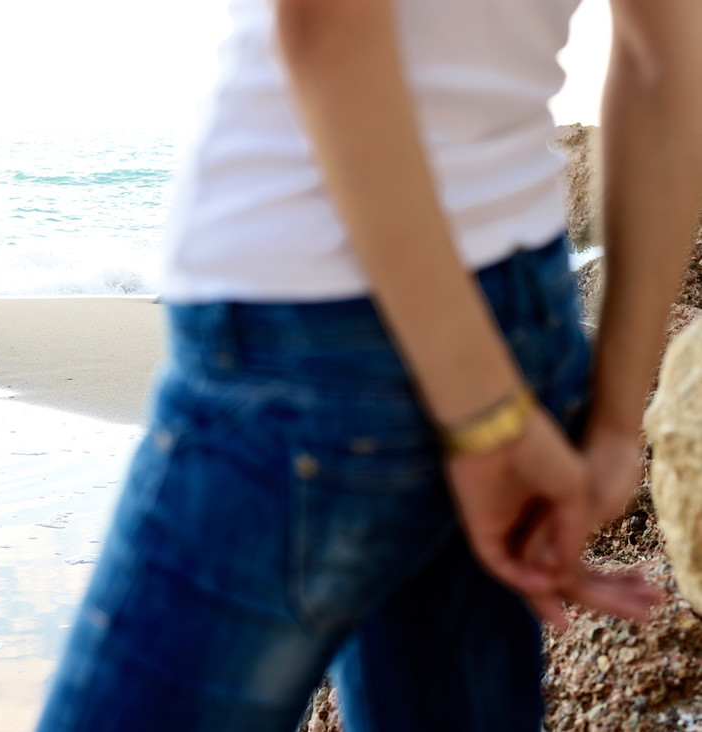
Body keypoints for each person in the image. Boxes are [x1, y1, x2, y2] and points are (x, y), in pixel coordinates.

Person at [38, 1, 702, 730]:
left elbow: (326, 25)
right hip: (514, 312)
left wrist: (490, 423)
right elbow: (662, 55)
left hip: (307, 332)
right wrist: (612, 421)